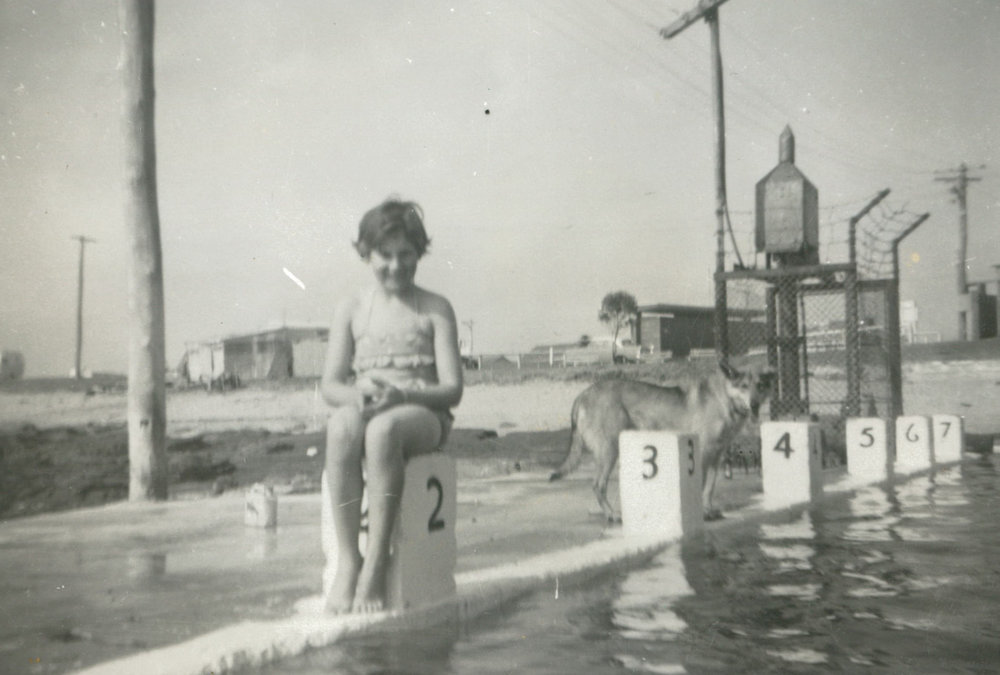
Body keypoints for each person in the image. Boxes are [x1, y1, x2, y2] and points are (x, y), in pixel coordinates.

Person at [320, 198, 463, 613]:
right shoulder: (351, 309)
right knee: (342, 428)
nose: (396, 265)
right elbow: (331, 384)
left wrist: (404, 396)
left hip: (424, 414)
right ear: (366, 253)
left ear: (420, 253)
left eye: (407, 255)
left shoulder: (435, 309)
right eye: (385, 255)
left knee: (384, 431)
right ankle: (351, 560)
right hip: (370, 408)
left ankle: (378, 561)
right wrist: (357, 397)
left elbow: (452, 389)